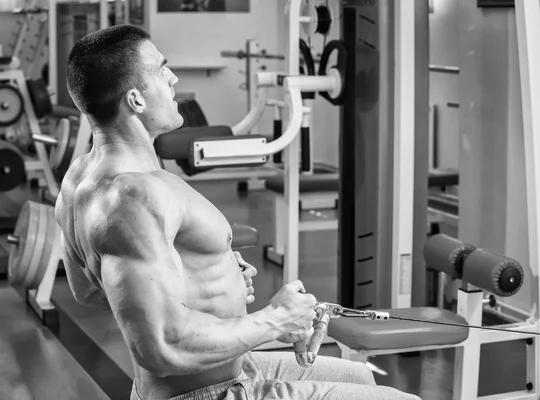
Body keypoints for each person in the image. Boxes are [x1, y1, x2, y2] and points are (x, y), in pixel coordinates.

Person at [55, 24, 421, 400]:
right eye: (160, 70)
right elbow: (163, 346)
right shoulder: (132, 195)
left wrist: (206, 283)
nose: (172, 77)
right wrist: (275, 320)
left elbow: (87, 290)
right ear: (135, 100)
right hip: (210, 392)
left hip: (232, 367)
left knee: (363, 378)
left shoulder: (78, 179)